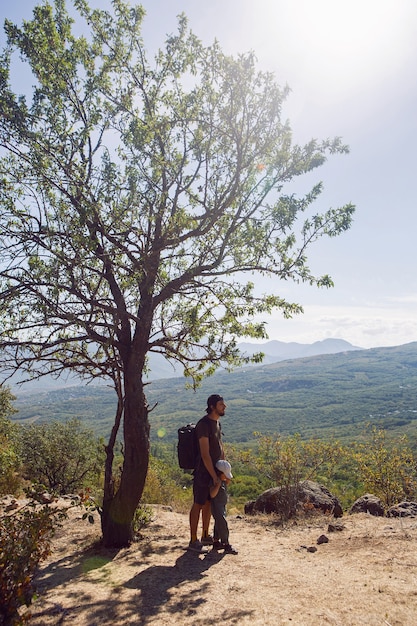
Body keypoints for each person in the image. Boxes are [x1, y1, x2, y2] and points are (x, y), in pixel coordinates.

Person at [188, 394, 225, 553]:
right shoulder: (203, 425)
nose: (224, 406)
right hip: (203, 471)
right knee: (199, 503)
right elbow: (205, 454)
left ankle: (205, 535)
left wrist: (224, 468)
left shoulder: (217, 423)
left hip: (215, 470)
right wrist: (213, 475)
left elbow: (220, 446)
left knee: (209, 503)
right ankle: (193, 540)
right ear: (212, 406)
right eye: (221, 404)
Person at [210, 459, 238, 554]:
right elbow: (212, 495)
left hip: (222, 504)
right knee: (222, 523)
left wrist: (226, 479)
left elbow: (227, 482)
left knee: (218, 523)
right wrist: (217, 485)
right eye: (224, 474)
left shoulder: (222, 480)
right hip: (216, 506)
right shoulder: (215, 481)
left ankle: (216, 541)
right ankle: (226, 543)